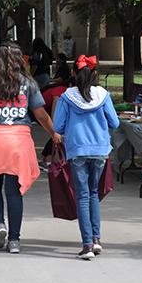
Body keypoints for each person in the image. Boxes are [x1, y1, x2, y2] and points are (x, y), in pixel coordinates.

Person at [0, 42, 62, 254]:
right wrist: (53, 133)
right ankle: (15, 241)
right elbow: (41, 115)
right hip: (20, 140)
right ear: (20, 60)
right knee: (14, 190)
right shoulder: (28, 83)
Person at [52, 55, 119, 259]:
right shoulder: (103, 95)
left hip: (78, 150)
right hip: (100, 151)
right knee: (93, 194)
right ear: (95, 74)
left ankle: (87, 244)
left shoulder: (66, 97)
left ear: (73, 73)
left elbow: (57, 126)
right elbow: (115, 123)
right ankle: (97, 239)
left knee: (81, 196)